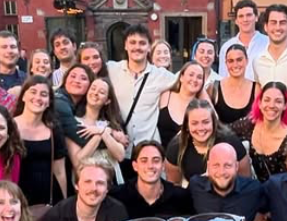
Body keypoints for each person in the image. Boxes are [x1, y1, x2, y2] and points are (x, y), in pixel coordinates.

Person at [107, 23, 175, 154]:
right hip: (120, 148)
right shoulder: (111, 69)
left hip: (148, 149)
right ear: (126, 46)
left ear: (149, 47)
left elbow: (188, 83)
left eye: (142, 43)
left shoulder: (161, 75)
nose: (137, 47)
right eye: (132, 42)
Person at [13, 74, 68, 207]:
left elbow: (60, 171)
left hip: (48, 199)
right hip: (16, 196)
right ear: (24, 96)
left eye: (44, 94)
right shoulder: (10, 127)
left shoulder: (54, 129)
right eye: (33, 92)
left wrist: (64, 204)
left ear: (49, 102)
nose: (38, 98)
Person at [165, 98, 248, 185]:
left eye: (206, 122)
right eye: (194, 123)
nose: (201, 128)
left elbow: (246, 181)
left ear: (213, 123)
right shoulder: (176, 146)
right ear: (187, 126)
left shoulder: (230, 141)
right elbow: (174, 185)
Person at [110, 139, 192, 217]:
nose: (150, 166)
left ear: (163, 165)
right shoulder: (118, 197)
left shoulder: (181, 198)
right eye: (144, 161)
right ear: (135, 166)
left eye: (156, 160)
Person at [68, 73, 128, 177]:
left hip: (113, 179)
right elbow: (78, 162)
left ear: (107, 101)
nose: (95, 93)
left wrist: (103, 131)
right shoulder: (74, 123)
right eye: (93, 88)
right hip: (87, 179)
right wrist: (100, 134)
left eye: (101, 92)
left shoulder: (111, 124)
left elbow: (120, 155)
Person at [188, 142, 267, 221]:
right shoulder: (196, 186)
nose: (221, 172)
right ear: (208, 166)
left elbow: (272, 205)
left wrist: (265, 220)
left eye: (227, 166)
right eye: (216, 165)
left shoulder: (254, 189)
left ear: (236, 166)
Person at [245, 81, 287, 182]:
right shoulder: (249, 125)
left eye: (278, 101)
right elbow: (221, 131)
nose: (271, 105)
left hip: (279, 195)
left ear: (285, 105)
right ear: (259, 103)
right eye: (267, 100)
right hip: (251, 192)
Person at [158, 61, 209, 151]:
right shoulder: (166, 95)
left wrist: (202, 91)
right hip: (160, 157)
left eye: (199, 77)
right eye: (191, 75)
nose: (194, 79)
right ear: (181, 77)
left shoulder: (200, 107)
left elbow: (215, 123)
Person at [211, 42, 259, 136]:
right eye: (231, 61)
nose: (235, 64)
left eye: (239, 60)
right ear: (226, 63)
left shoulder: (257, 88)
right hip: (222, 145)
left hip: (251, 145)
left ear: (247, 61)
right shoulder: (214, 88)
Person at [253, 4, 287, 91]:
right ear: (266, 26)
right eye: (273, 23)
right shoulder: (257, 60)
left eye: (282, 23)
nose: (277, 28)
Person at [218, 0, 266, 79]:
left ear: (256, 17)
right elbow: (223, 77)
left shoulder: (267, 44)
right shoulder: (227, 47)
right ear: (236, 21)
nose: (245, 19)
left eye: (249, 15)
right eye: (241, 16)